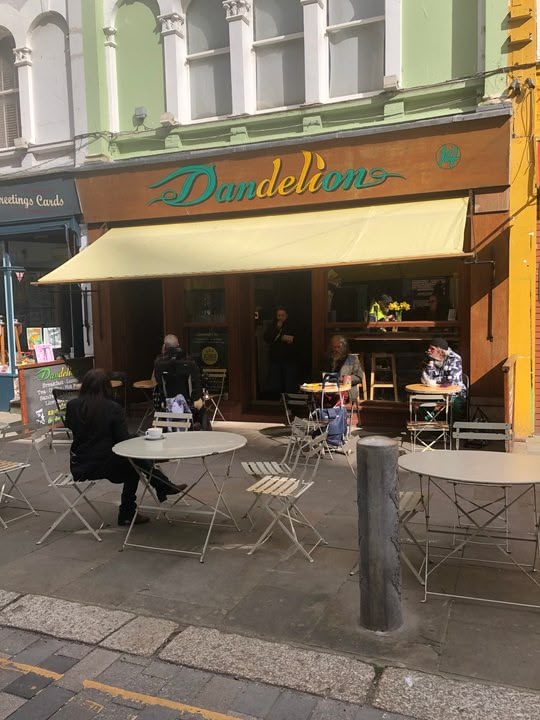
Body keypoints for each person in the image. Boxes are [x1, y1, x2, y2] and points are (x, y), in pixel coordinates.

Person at [65, 369, 185, 527]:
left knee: (134, 460)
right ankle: (131, 509)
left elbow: (71, 427)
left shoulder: (72, 406)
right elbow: (122, 442)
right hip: (104, 464)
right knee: (133, 466)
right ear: (107, 387)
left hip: (80, 464)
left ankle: (161, 486)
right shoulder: (113, 408)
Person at [153, 334, 204, 413]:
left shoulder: (159, 362)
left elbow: (158, 380)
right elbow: (197, 380)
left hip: (167, 400)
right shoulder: (189, 361)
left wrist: (163, 353)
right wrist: (196, 397)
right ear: (178, 344)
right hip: (189, 399)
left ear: (164, 346)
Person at [421, 337, 466, 417]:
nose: (429, 350)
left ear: (441, 351)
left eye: (432, 349)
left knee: (454, 406)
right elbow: (426, 380)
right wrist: (430, 363)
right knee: (420, 403)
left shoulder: (454, 359)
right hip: (434, 392)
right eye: (429, 348)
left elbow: (451, 382)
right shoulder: (430, 358)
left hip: (455, 394)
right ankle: (429, 422)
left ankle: (451, 424)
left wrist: (435, 382)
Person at [263, 307, 298, 394]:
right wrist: (277, 329)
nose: (280, 317)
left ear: (286, 316)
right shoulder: (272, 326)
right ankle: (276, 398)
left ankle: (289, 398)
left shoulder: (292, 325)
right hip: (275, 359)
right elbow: (267, 338)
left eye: (282, 315)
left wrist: (290, 339)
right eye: (279, 315)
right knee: (276, 382)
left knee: (289, 382)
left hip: (289, 358)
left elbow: (298, 338)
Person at [325, 335, 363, 404]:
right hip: (329, 389)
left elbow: (359, 377)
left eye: (338, 347)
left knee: (337, 397)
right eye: (334, 347)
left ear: (344, 347)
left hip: (346, 390)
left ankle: (334, 410)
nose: (336, 349)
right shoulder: (328, 359)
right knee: (317, 397)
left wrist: (346, 378)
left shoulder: (353, 359)